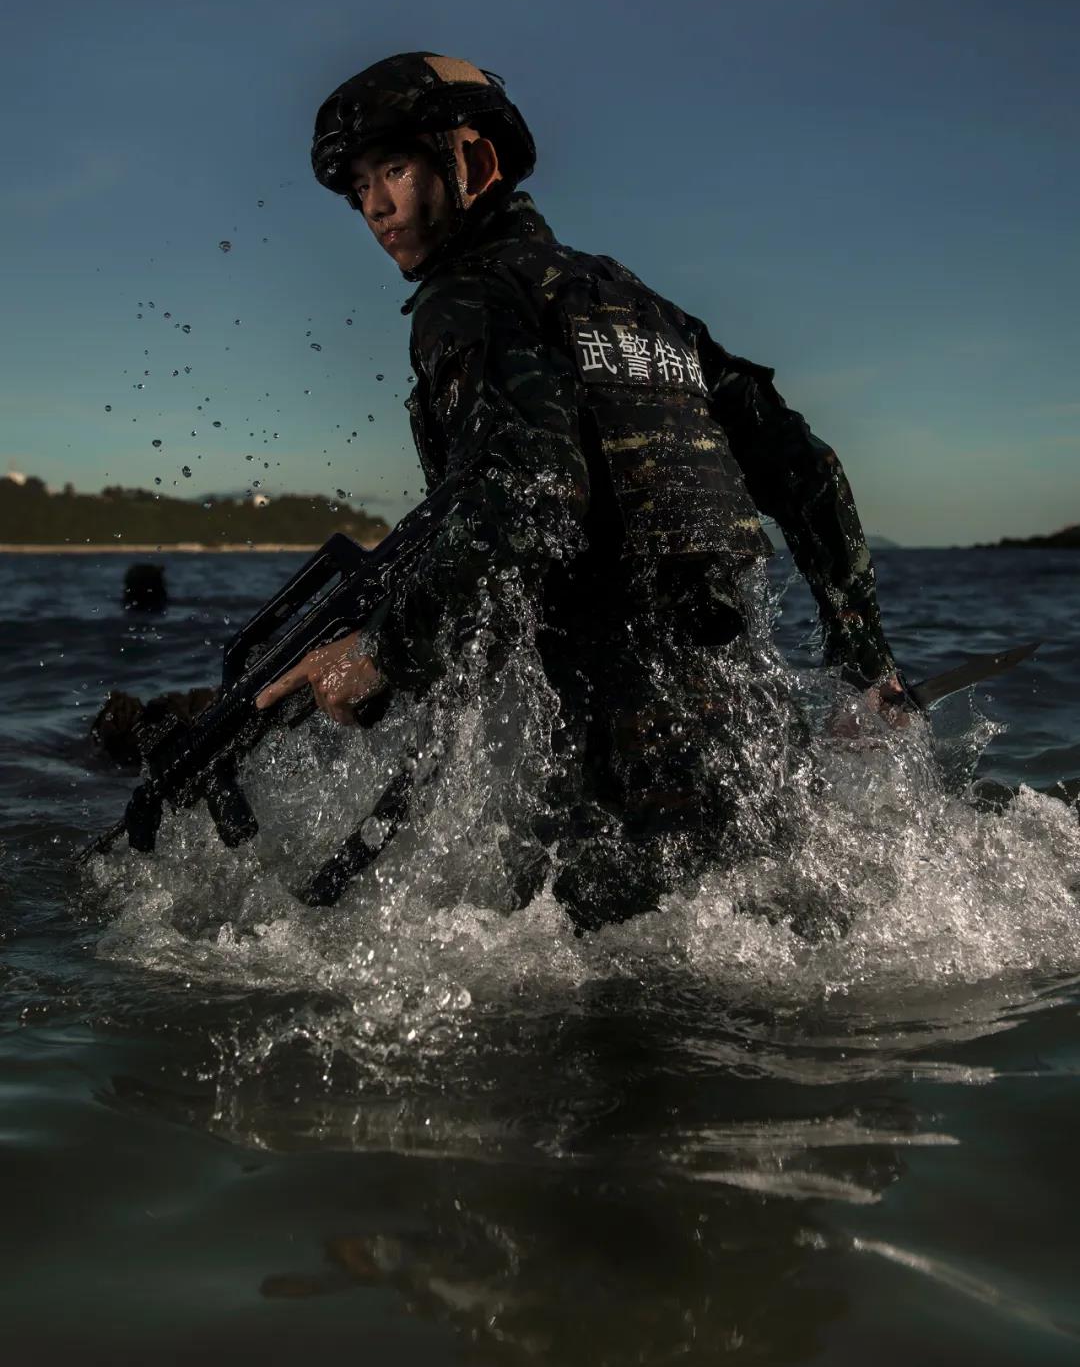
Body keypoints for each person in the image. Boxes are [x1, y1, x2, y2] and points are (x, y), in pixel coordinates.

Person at [256, 52, 905, 929]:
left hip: (619, 755)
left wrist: (381, 656)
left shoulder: (469, 301)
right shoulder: (635, 301)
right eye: (360, 186)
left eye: (398, 169)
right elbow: (807, 469)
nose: (375, 208)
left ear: (473, 165)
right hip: (752, 731)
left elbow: (532, 493)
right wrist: (864, 660)